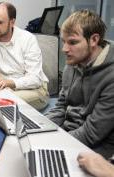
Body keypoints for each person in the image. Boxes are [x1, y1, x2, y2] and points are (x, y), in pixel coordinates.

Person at [45, 9, 114, 158]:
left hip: (98, 149)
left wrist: (53, 143)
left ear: (94, 40)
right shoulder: (75, 60)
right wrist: (41, 127)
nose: (65, 49)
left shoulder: (111, 76)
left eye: (72, 42)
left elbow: (92, 133)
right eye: (64, 41)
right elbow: (61, 106)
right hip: (69, 133)